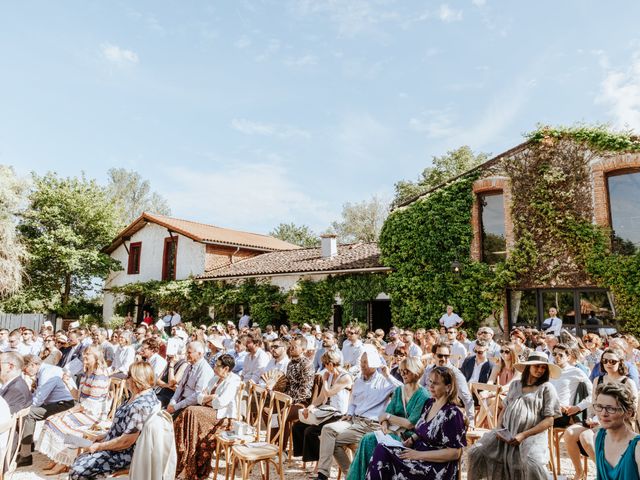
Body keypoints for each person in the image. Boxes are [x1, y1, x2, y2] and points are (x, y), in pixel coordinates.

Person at [467, 351, 562, 479]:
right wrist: (499, 429)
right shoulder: (515, 385)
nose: (540, 370)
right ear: (528, 367)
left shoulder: (547, 388)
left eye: (543, 367)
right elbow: (505, 410)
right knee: (476, 452)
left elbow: (549, 420)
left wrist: (523, 435)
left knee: (531, 464)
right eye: (537, 366)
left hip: (531, 436)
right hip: (506, 433)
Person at [364, 366, 467, 480]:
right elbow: (424, 429)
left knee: (384, 456)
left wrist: (417, 455)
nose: (431, 386)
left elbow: (455, 453)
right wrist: (412, 439)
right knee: (381, 449)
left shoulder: (452, 414)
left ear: (448, 387)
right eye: (430, 382)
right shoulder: (430, 403)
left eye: (436, 383)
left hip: (434, 466)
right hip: (417, 455)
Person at [315, 350, 401, 480]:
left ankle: (351, 475)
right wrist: (349, 413)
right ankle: (326, 474)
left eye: (366, 362)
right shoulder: (358, 381)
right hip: (354, 420)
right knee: (327, 430)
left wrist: (388, 376)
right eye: (361, 361)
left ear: (374, 364)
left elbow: (403, 390)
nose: (362, 365)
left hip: (371, 425)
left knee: (332, 442)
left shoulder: (384, 381)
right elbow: (353, 401)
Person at [68, 361, 161, 480]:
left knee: (77, 471)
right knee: (79, 458)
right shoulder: (141, 396)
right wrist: (103, 436)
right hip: (116, 446)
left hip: (124, 453)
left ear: (138, 379)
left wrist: (99, 447)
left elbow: (126, 441)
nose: (126, 378)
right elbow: (124, 427)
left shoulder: (140, 405)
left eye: (129, 376)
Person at [348, 356, 430, 480]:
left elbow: (410, 424)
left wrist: (388, 417)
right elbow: (383, 415)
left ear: (416, 371)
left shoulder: (423, 394)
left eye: (406, 370)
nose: (402, 373)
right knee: (367, 440)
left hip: (408, 437)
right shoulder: (399, 391)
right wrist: (385, 423)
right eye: (401, 370)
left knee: (369, 440)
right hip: (392, 433)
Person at [563, 347, 637, 480]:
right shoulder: (598, 380)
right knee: (569, 433)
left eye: (612, 361)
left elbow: (633, 410)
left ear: (620, 362)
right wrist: (592, 418)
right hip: (597, 418)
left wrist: (600, 419)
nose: (608, 363)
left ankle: (605, 472)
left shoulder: (628, 382)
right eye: (605, 361)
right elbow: (593, 403)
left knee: (586, 437)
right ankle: (580, 473)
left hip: (618, 422)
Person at [37, 345, 111, 474]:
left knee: (61, 423)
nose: (84, 356)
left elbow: (90, 402)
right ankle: (58, 458)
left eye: (88, 354)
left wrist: (67, 412)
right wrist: (67, 382)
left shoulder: (99, 374)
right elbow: (77, 396)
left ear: (96, 357)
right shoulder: (86, 372)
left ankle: (64, 462)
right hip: (83, 409)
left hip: (95, 414)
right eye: (84, 353)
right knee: (51, 419)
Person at [173, 353, 241, 480]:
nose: (214, 367)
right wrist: (209, 398)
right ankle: (184, 461)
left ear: (226, 368)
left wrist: (206, 399)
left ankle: (189, 464)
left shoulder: (234, 380)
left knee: (191, 412)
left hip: (222, 417)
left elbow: (221, 403)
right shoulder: (215, 378)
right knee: (190, 414)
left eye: (217, 365)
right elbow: (199, 396)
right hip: (208, 412)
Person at [292, 350, 352, 466]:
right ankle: (306, 457)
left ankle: (320, 464)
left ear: (330, 364)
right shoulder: (330, 375)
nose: (324, 367)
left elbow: (329, 393)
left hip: (339, 415)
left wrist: (324, 380)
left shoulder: (345, 377)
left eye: (325, 364)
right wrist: (311, 407)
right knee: (298, 426)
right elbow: (321, 396)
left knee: (311, 431)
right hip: (327, 411)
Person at [16, 355, 75, 467]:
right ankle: (27, 445)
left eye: (25, 369)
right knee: (27, 411)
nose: (25, 372)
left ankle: (25, 455)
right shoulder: (45, 370)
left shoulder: (46, 372)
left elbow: (39, 399)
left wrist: (25, 407)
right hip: (58, 403)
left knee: (28, 414)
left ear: (32, 365)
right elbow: (38, 395)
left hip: (64, 404)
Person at [581, 382, 640, 480]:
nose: (603, 414)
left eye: (611, 408)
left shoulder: (637, 446)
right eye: (599, 407)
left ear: (628, 413)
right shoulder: (598, 438)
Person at [420, 342, 475, 427]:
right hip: (426, 409)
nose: (443, 359)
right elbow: (420, 388)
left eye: (446, 356)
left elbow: (467, 398)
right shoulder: (428, 369)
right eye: (440, 356)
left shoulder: (455, 373)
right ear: (433, 355)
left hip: (445, 413)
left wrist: (471, 422)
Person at [549, 343, 592, 428]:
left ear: (568, 358)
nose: (557, 357)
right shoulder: (549, 370)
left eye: (561, 355)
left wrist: (578, 407)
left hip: (562, 413)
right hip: (547, 409)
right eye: (554, 354)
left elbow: (593, 394)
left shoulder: (575, 371)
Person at [167, 341, 214, 416]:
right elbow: (181, 386)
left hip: (191, 407)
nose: (186, 355)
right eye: (186, 352)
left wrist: (175, 407)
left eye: (189, 352)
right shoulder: (190, 365)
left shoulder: (205, 370)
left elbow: (197, 396)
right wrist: (172, 402)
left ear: (199, 354)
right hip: (181, 402)